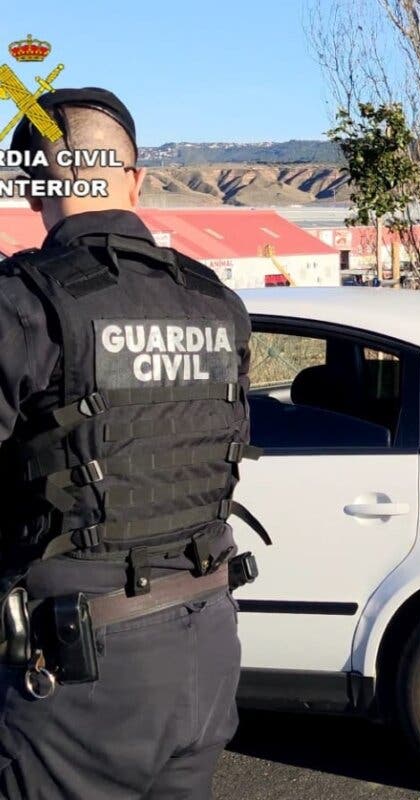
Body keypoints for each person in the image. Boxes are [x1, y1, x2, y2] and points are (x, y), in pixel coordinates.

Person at [0, 87, 267, 797]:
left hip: (79, 669)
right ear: (137, 180)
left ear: (32, 191)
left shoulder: (23, 303)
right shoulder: (217, 302)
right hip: (205, 647)